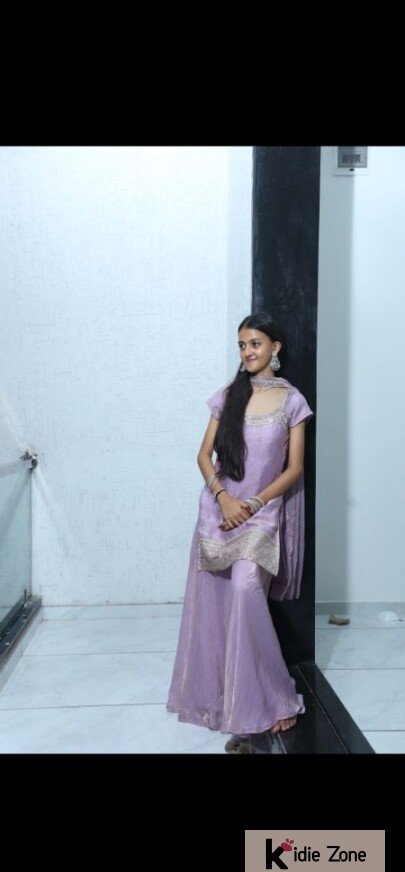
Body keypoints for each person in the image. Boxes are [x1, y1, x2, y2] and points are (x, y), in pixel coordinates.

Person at [166, 312, 314, 752]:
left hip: (261, 515)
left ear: (275, 347)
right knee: (218, 605)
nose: (247, 352)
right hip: (219, 512)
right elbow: (203, 455)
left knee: (246, 589)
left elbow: (294, 469)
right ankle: (229, 701)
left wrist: (251, 504)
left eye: (255, 344)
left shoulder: (292, 402)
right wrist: (224, 498)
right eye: (242, 345)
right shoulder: (229, 396)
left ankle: (275, 692)